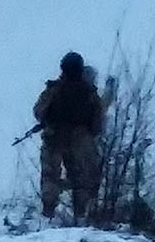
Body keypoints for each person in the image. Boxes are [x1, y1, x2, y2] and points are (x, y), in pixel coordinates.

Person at [33, 51, 105, 220]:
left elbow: (38, 111)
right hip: (80, 139)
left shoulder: (53, 89)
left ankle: (48, 213)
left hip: (54, 137)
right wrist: (91, 134)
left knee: (51, 176)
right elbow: (98, 119)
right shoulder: (89, 91)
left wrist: (48, 121)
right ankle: (80, 215)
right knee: (80, 179)